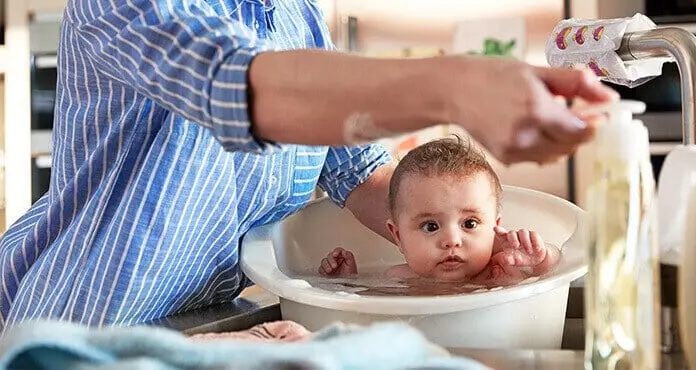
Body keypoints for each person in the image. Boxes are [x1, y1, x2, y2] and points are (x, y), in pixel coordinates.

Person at [0, 0, 618, 331]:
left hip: (210, 324)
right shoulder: (127, 3)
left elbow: (366, 176)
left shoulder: (295, 13)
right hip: (83, 332)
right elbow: (252, 91)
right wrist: (455, 84)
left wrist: (486, 259)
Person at [318, 137, 560, 283]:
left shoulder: (501, 273)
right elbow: (367, 318)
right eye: (431, 226)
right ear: (398, 236)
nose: (451, 241)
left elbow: (553, 278)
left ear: (495, 227)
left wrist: (541, 258)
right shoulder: (398, 278)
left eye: (470, 224)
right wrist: (344, 283)